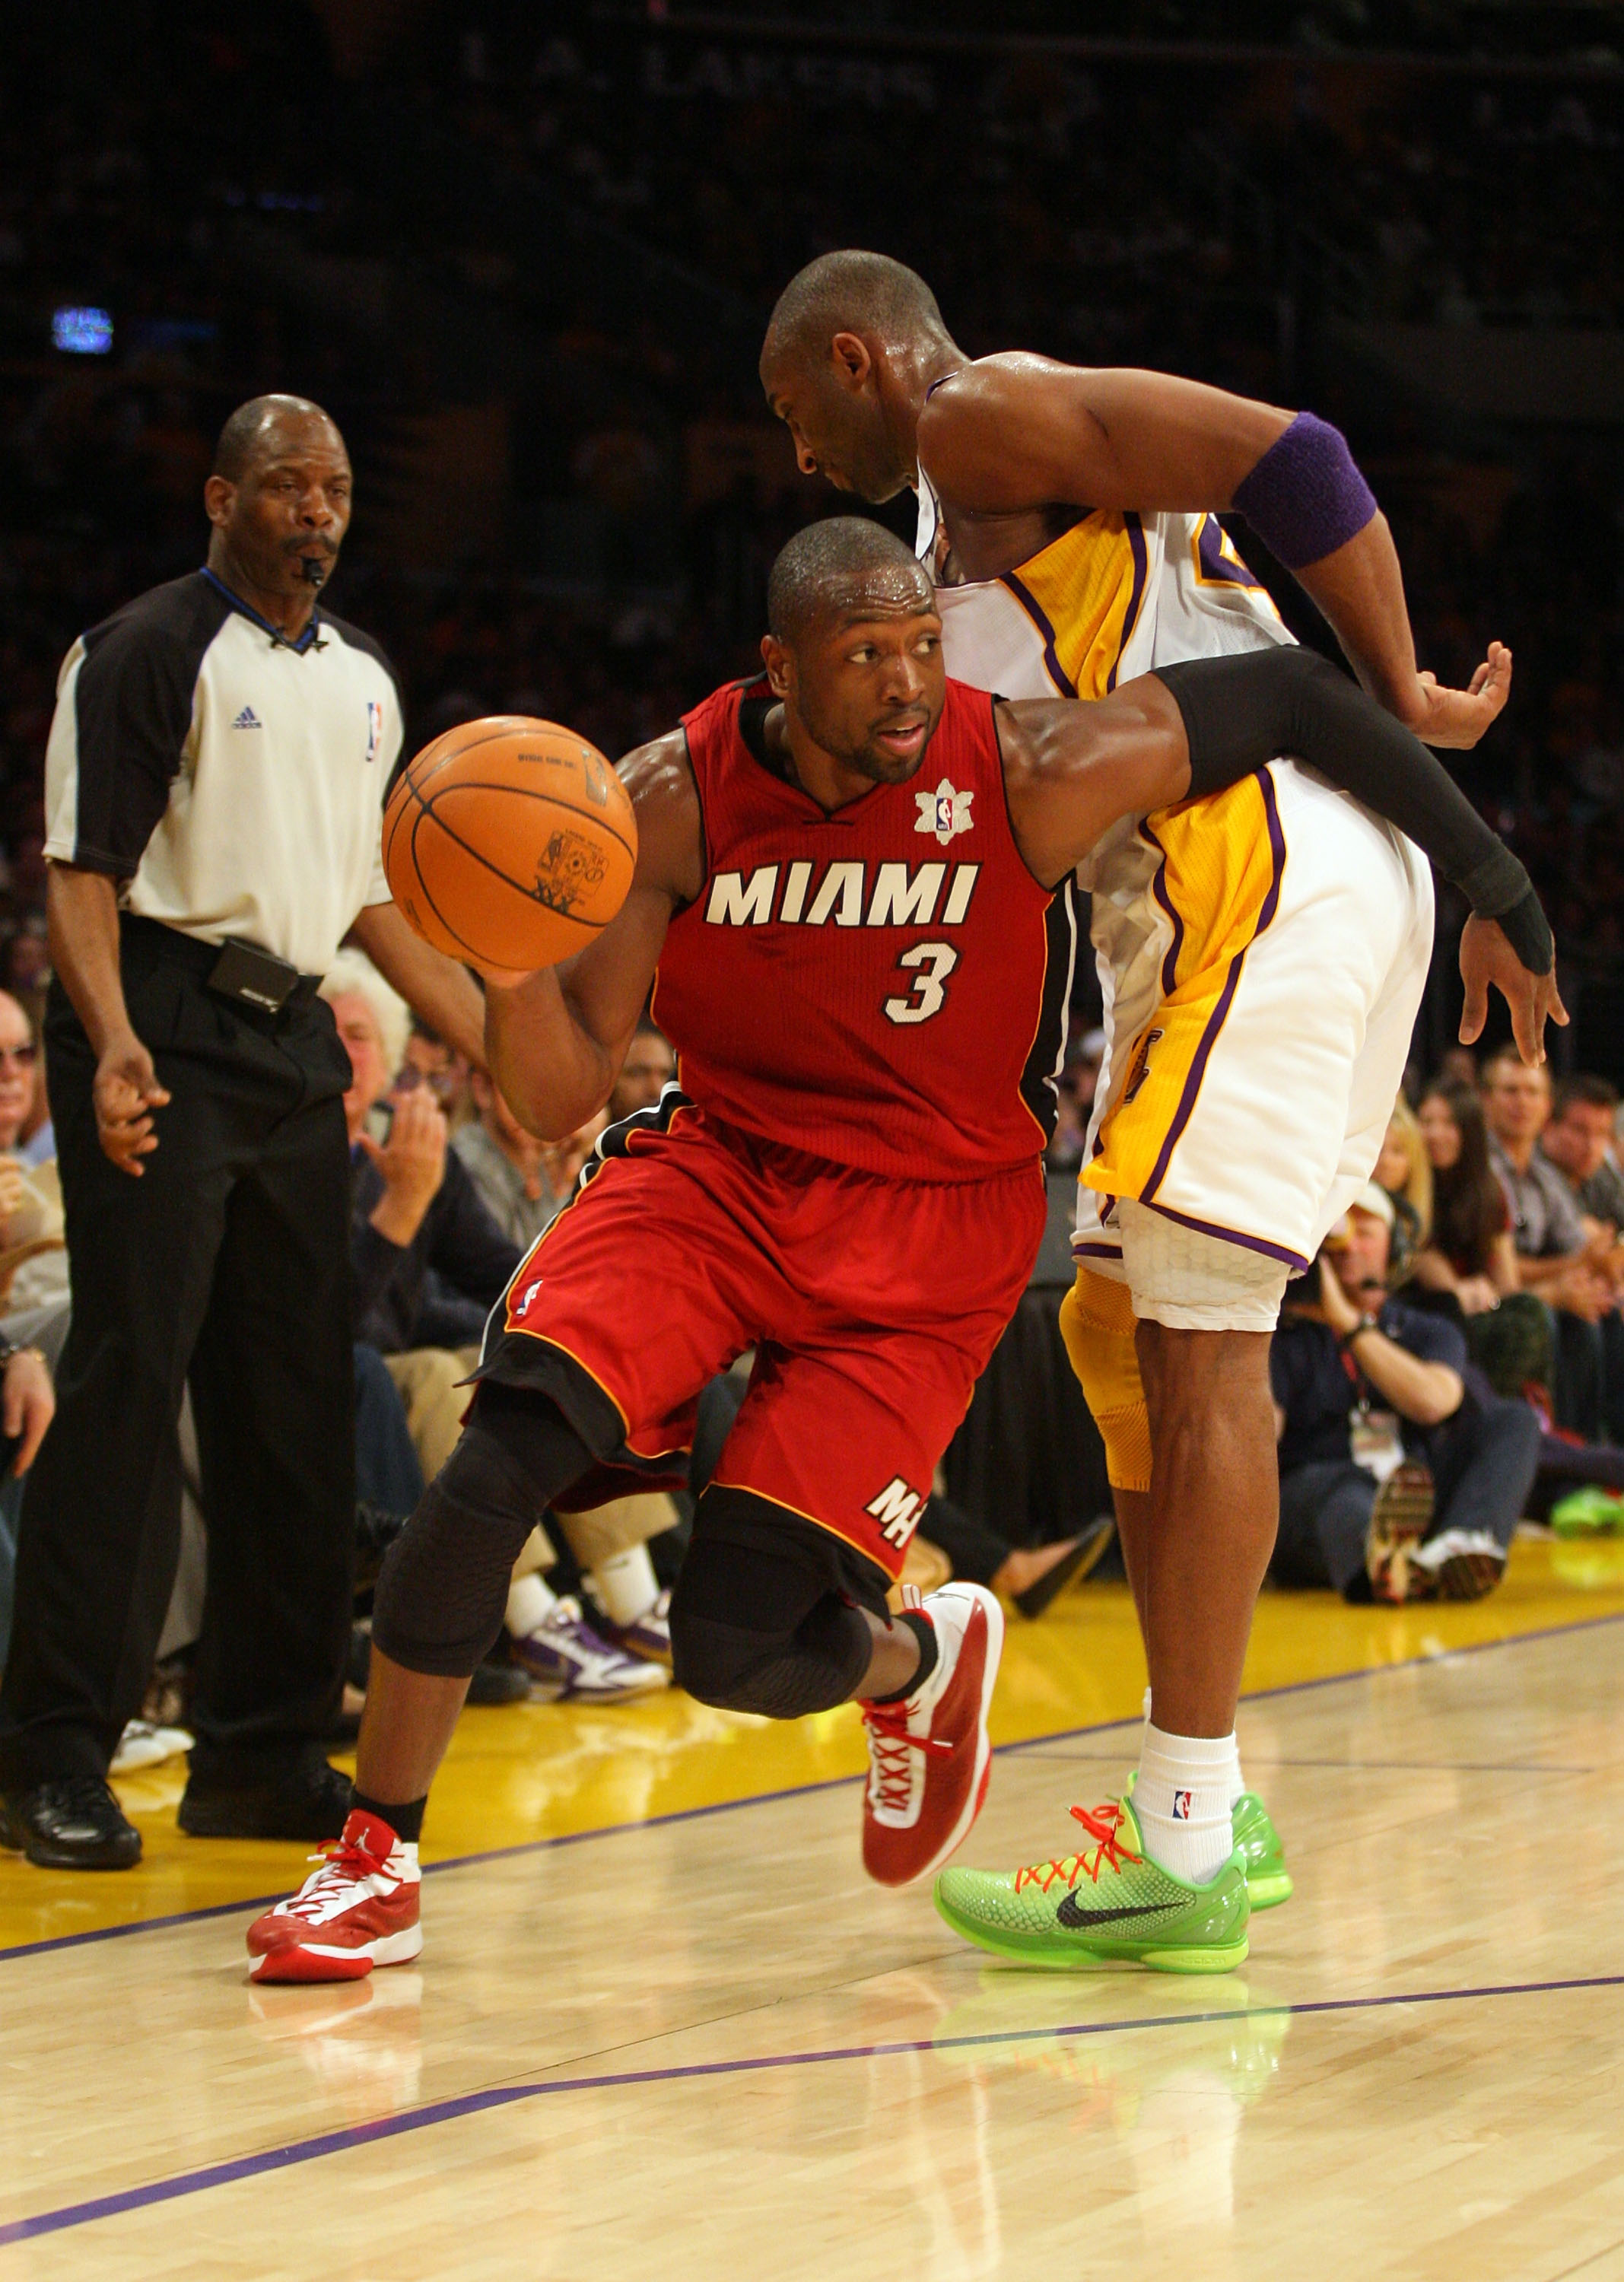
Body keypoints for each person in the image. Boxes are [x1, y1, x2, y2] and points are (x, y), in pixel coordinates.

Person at [245, 516, 1555, 1984]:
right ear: (778, 668)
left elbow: (1295, 697)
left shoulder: (1027, 768)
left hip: (929, 1224)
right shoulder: (668, 801)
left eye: (923, 646)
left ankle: (919, 1658)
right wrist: (502, 949)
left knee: (734, 1651)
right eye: (865, 655)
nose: (907, 684)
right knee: (502, 1448)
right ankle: (375, 1862)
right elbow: (555, 1095)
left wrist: (1498, 890)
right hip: (722, 1169)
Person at [760, 251, 1556, 1960]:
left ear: (853, 357)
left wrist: (1395, 688)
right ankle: (1202, 1799)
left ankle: (1187, 1836)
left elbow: (1303, 458)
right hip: (1203, 905)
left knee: (1192, 1354)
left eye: (790, 410)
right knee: (1120, 1341)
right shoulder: (931, 559)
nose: (793, 452)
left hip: (1259, 870)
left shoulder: (975, 416)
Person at [0, 394, 488, 1872]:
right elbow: (82, 870)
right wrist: (116, 1044)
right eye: (286, 486)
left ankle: (258, 1753)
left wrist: (490, 1038)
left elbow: (367, 899)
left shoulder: (361, 681)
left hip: (285, 1029)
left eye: (335, 488)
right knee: (131, 1378)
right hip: (154, 1002)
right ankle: (51, 1760)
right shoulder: (147, 648)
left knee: (292, 1395)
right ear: (221, 496)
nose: (316, 511)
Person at [323, 952, 669, 1701]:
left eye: (358, 1034)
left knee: (561, 1349)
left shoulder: (417, 1151)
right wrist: (395, 1220)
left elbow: (512, 1279)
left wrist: (589, 1190)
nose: (341, 1051)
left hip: (394, 1367)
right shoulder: (290, 1162)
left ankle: (635, 1599)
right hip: (334, 1386)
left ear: (386, 1057)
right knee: (443, 1374)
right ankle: (533, 1619)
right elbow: (336, 1336)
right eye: (324, 1033)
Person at [1270, 1187, 1540, 1602]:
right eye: (1335, 1234)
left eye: (1365, 1232)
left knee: (1514, 1421)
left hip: (1412, 1487)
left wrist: (1349, 1324)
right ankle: (1386, 1564)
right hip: (1321, 1493)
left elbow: (1435, 1402)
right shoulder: (1283, 1332)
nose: (1346, 1247)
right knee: (1337, 1488)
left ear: (1394, 1247)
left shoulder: (1426, 1327)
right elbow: (1262, 1438)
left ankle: (1458, 1547)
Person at [1481, 1048, 1621, 1440]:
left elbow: (1587, 1253)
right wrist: (1577, 1264)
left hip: (1531, 1292)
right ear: (1486, 1100)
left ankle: (1593, 1448)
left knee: (1600, 1310)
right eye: (1510, 1090)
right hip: (1489, 1297)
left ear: (1546, 1107)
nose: (1521, 1102)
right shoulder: (1481, 1168)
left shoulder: (1545, 1178)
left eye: (1531, 1092)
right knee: (1549, 1317)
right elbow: (1502, 1266)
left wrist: (1594, 1264)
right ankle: (1561, 1450)